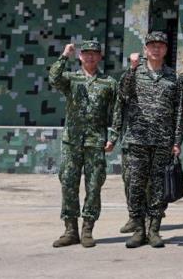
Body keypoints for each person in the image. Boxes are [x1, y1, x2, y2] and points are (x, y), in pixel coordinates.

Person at [111, 30, 183, 249]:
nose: (156, 48)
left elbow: (179, 111)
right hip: (137, 140)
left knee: (158, 188)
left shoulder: (173, 77)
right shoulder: (134, 73)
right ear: (145, 49)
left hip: (163, 141)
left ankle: (154, 229)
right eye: (152, 45)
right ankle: (139, 229)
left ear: (165, 50)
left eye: (160, 46)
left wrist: (177, 141)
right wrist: (131, 69)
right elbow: (122, 95)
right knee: (135, 185)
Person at [48, 40, 117, 248]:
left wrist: (112, 137)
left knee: (94, 186)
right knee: (68, 184)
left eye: (94, 54)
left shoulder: (109, 82)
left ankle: (88, 229)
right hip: (72, 142)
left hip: (96, 142)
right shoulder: (71, 79)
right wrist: (63, 56)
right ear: (80, 56)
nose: (90, 57)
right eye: (86, 53)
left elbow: (115, 113)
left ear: (100, 56)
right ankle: (70, 230)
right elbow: (53, 78)